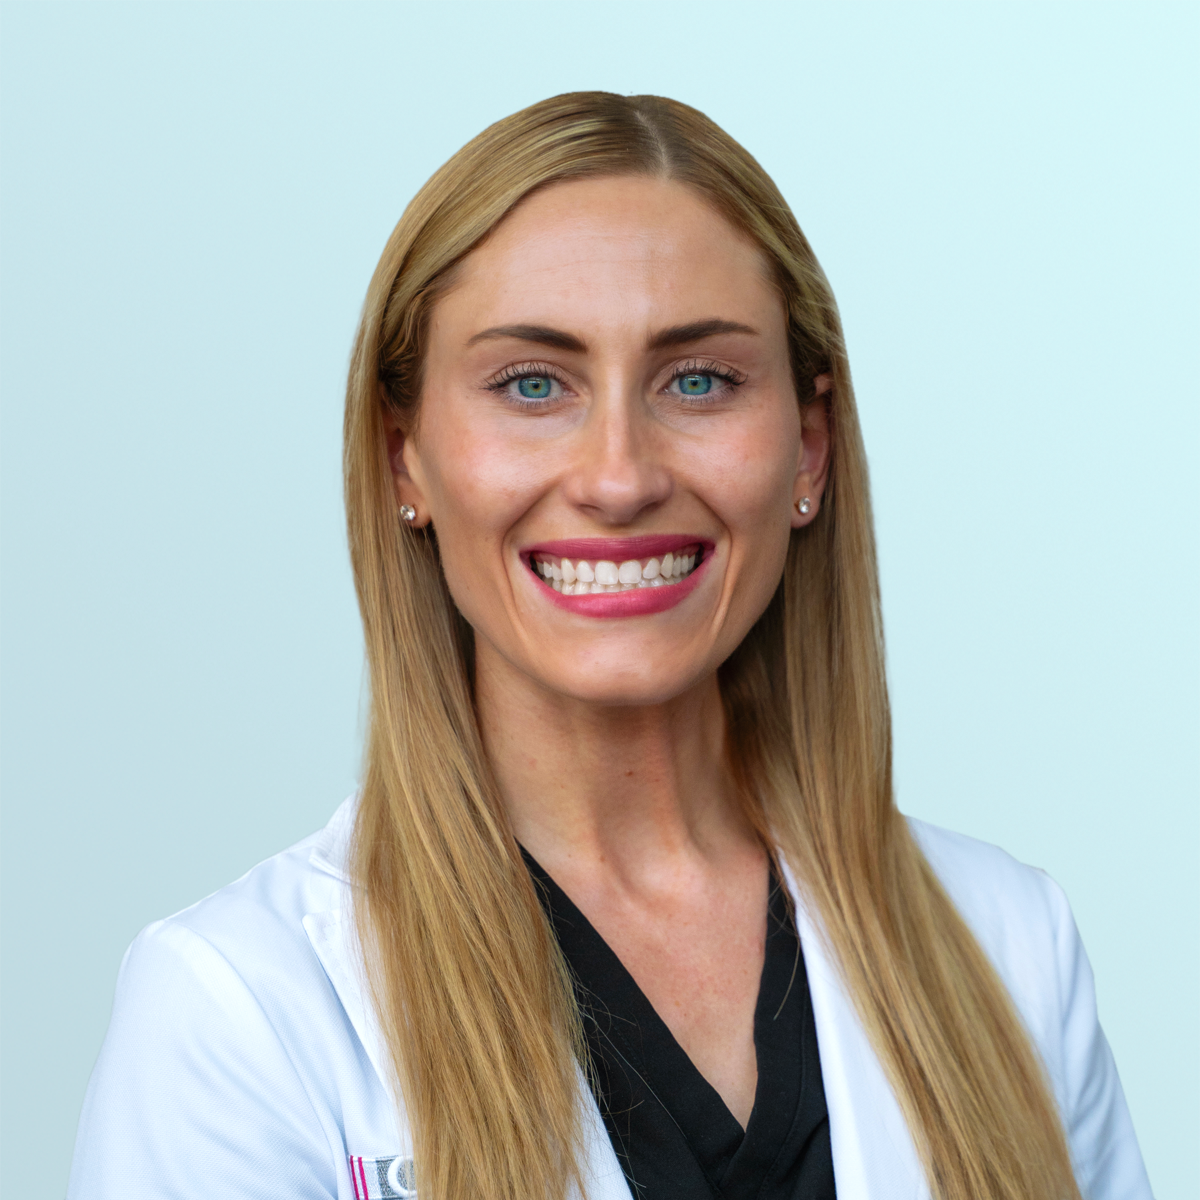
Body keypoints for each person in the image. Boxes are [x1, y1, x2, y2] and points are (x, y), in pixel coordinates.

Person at [67, 92, 1152, 1200]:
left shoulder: (1012, 946)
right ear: (406, 461)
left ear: (809, 450)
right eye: (532, 385)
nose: (620, 477)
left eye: (699, 381)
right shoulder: (238, 1012)